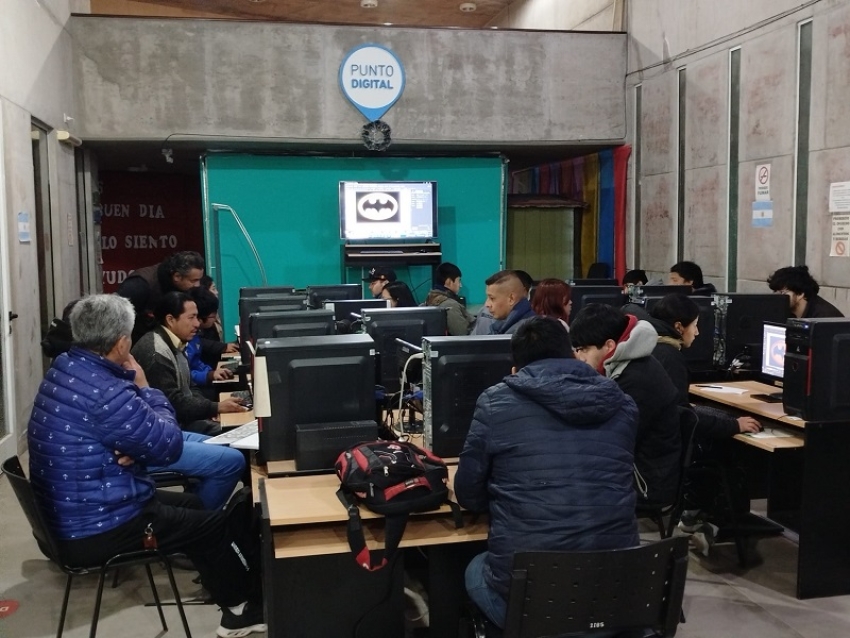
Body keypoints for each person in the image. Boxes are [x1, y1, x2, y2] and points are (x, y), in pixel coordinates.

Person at [27, 294, 265, 636]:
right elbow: (168, 444)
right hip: (98, 525)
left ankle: (224, 588)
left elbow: (127, 434)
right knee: (213, 524)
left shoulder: (66, 367)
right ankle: (240, 610)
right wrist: (145, 387)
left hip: (73, 511)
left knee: (195, 506)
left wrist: (135, 445)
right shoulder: (107, 392)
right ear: (121, 342)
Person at [455, 316, 639, 629]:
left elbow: (468, 494)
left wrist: (511, 498)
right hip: (613, 600)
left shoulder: (495, 402)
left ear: (516, 368)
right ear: (573, 354)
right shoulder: (623, 403)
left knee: (474, 568)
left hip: (535, 608)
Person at [570, 304, 682, 505]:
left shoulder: (636, 379)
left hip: (644, 481)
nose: (579, 357)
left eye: (584, 349)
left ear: (609, 346)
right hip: (633, 468)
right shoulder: (625, 365)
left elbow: (611, 441)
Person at [132, 291, 248, 435]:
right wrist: (214, 407)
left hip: (184, 419)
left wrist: (206, 410)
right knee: (235, 433)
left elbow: (191, 387)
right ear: (170, 320)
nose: (197, 323)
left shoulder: (176, 342)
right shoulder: (157, 353)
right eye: (191, 318)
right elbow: (173, 402)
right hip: (169, 429)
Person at [117, 251, 206, 343]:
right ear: (177, 276)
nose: (197, 285)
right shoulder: (139, 285)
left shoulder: (185, 287)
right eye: (193, 281)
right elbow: (116, 320)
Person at [187, 285, 238, 376]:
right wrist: (209, 375)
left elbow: (198, 365)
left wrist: (211, 373)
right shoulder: (188, 340)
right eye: (213, 316)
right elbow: (188, 373)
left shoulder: (197, 336)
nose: (215, 320)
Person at [767, 265, 844, 318]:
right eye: (775, 292)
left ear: (800, 294)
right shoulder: (784, 312)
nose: (778, 297)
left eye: (782, 293)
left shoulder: (824, 317)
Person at [472, 270, 534, 335]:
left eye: (492, 298)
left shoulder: (529, 332)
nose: (487, 304)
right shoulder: (486, 314)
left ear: (511, 299)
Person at [424, 262, 475, 335]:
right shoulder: (451, 306)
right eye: (459, 281)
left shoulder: (427, 302)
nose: (460, 285)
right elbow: (462, 335)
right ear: (449, 282)